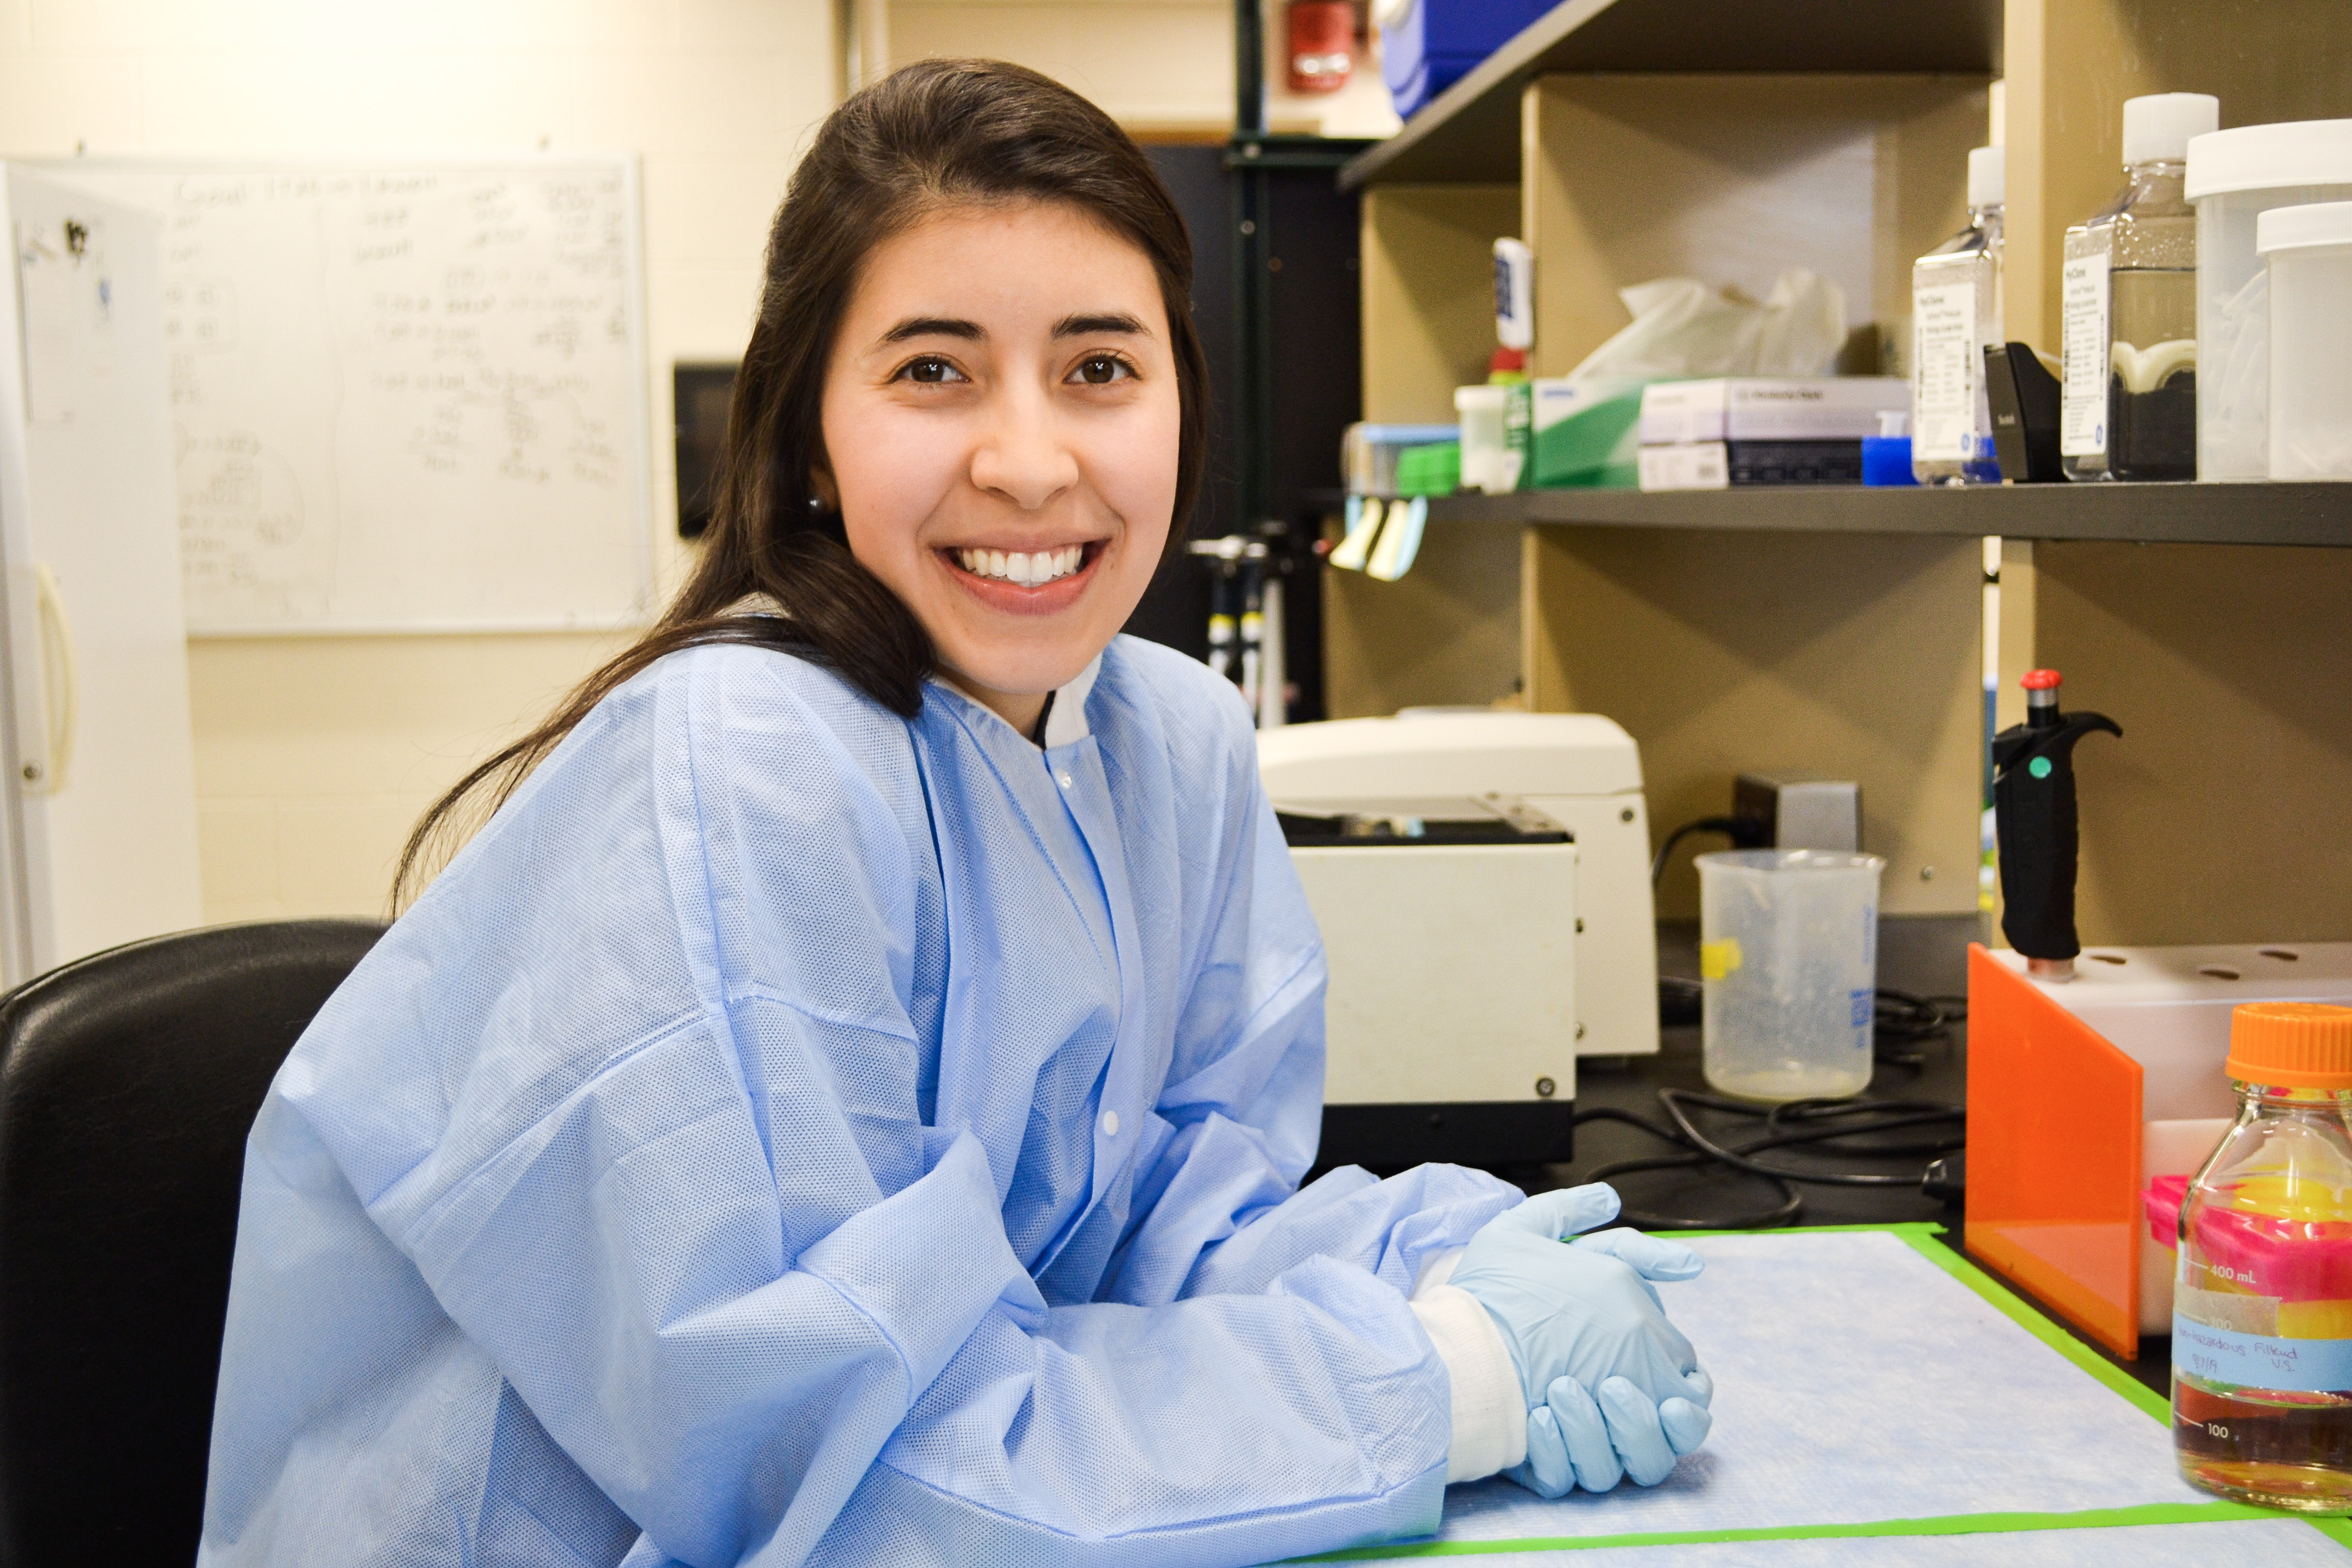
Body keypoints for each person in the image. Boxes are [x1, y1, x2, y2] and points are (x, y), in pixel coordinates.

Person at [197, 60, 1712, 1568]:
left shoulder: (1167, 739)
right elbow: (848, 1472)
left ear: (1180, 398)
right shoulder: (740, 770)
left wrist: (1445, 1255)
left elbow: (1171, 1222)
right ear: (808, 436)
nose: (1031, 461)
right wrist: (1443, 1382)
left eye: (1099, 369)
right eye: (935, 370)